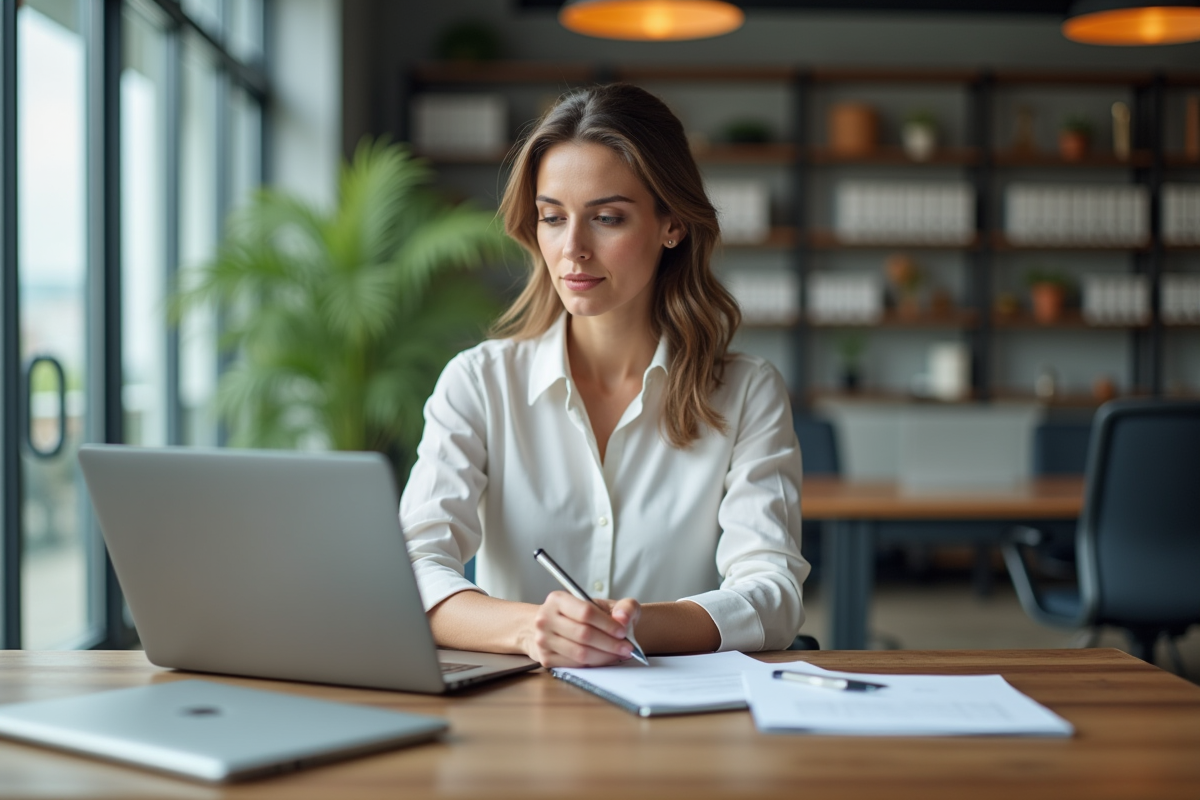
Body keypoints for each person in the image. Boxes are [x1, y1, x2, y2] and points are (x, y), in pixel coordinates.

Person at [400, 83, 809, 668]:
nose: (573, 249)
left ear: (672, 224)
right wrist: (533, 629)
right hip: (517, 709)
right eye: (552, 217)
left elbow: (772, 593)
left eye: (607, 218)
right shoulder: (478, 383)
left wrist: (628, 627)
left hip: (681, 706)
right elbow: (414, 569)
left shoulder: (747, 392)